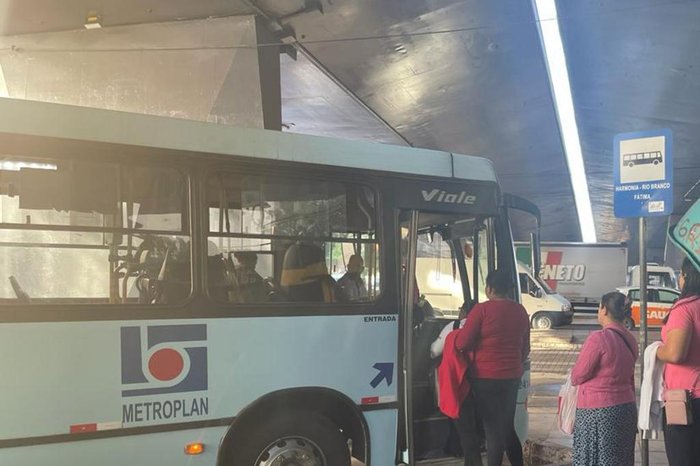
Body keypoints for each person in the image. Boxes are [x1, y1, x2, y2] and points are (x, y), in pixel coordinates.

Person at [455, 269, 529, 466]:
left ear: (489, 288)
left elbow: (462, 343)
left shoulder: (481, 310)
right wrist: (513, 363)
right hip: (512, 377)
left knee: (492, 429)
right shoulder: (520, 311)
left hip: (484, 377)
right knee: (506, 426)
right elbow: (525, 347)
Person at [570, 291, 637, 466]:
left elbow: (578, 375)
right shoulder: (631, 339)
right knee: (620, 459)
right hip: (626, 409)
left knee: (596, 459)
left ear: (604, 310)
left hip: (598, 413)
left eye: (599, 307)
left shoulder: (598, 338)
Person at [656, 257, 700, 466]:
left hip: (687, 401)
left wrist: (655, 351)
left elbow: (675, 354)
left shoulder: (685, 308)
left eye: (681, 274)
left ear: (687, 277)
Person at [432, 302, 483, 466]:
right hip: (483, 382)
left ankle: (461, 452)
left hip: (460, 384)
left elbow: (434, 351)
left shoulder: (453, 328)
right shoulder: (486, 327)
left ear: (463, 312)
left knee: (465, 428)